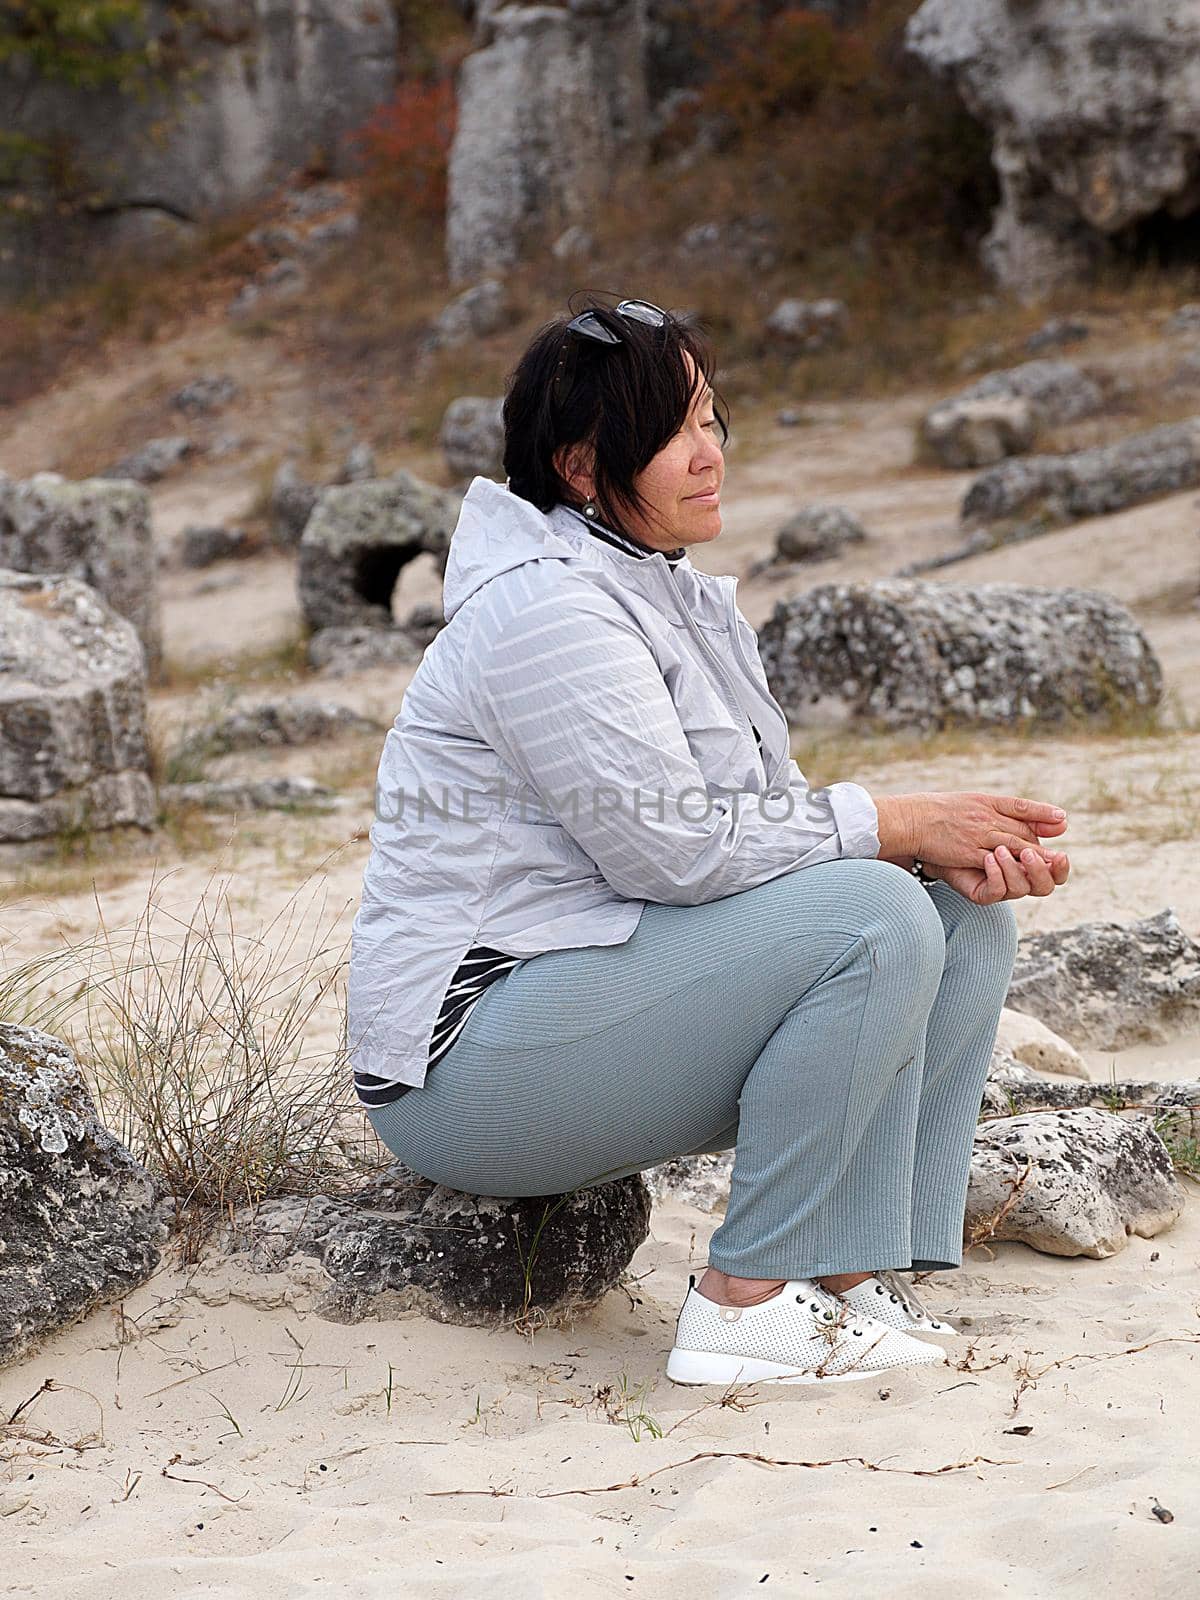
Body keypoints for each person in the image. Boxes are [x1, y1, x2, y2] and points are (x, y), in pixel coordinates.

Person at [346, 293, 1071, 1387]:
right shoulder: (546, 610)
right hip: (468, 1062)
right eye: (677, 430)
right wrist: (893, 825)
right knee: (871, 914)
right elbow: (674, 854)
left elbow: (754, 828)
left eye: (712, 419)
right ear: (585, 467)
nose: (711, 453)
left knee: (956, 913)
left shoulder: (661, 589)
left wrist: (929, 849)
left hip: (591, 996)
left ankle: (844, 1277)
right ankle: (746, 1299)